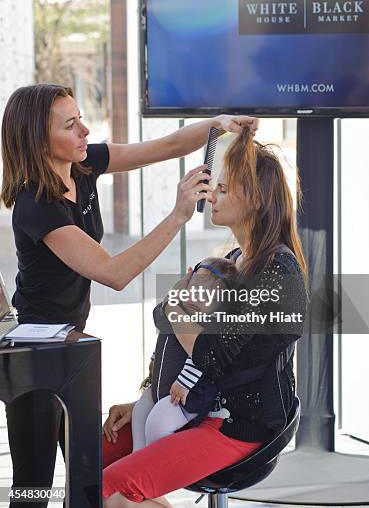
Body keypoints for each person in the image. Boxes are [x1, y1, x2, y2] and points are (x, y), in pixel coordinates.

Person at [0, 83, 258, 508]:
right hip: (35, 352)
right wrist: (178, 215)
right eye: (71, 125)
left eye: (81, 118)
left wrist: (217, 127)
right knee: (34, 485)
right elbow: (113, 273)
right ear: (38, 140)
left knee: (86, 475)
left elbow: (165, 145)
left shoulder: (84, 165)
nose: (85, 131)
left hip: (71, 346)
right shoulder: (36, 205)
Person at [102, 127, 309, 508]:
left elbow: (210, 352)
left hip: (239, 425)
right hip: (199, 405)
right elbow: (166, 326)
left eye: (226, 189)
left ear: (258, 200)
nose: (213, 194)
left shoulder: (279, 273)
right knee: (97, 456)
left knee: (108, 490)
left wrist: (174, 308)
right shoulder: (230, 262)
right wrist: (149, 398)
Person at [128, 257, 239, 451]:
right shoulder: (181, 313)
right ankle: (137, 454)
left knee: (158, 423)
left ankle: (155, 463)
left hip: (183, 395)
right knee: (140, 412)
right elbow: (165, 339)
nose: (196, 300)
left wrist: (184, 383)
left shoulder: (209, 324)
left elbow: (202, 357)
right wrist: (155, 357)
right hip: (162, 386)